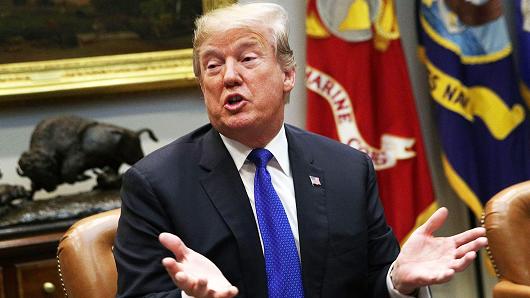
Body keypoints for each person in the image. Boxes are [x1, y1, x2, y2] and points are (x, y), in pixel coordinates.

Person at [114, 3, 487, 298]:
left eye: (247, 59)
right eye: (212, 65)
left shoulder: (346, 169)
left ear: (288, 75)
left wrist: (398, 282)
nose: (228, 76)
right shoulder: (156, 184)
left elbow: (371, 282)